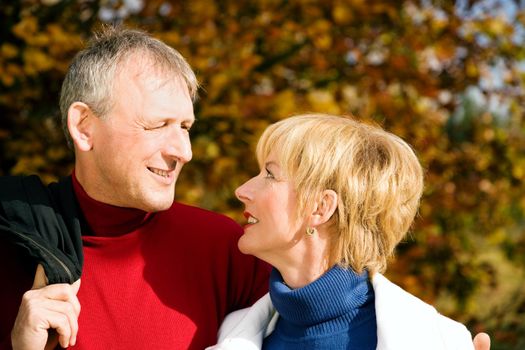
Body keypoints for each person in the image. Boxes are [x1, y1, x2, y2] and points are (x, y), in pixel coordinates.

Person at [0, 26, 270, 349]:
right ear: (84, 127)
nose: (184, 152)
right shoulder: (11, 249)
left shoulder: (226, 249)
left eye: (185, 127)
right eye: (158, 125)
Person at [209, 114, 492, 350]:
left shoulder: (439, 340)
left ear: (321, 207)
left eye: (270, 174)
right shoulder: (228, 331)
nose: (242, 190)